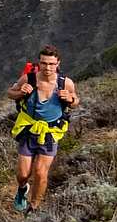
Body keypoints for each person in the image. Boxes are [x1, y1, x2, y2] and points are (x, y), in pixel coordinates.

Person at [7, 44, 78, 213]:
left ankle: (34, 207)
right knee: (23, 175)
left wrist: (70, 99)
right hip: (29, 130)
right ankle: (22, 189)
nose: (47, 67)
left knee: (40, 172)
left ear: (58, 63)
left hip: (50, 133)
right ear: (39, 63)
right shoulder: (29, 78)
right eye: (44, 63)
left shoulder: (65, 83)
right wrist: (21, 92)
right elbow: (10, 93)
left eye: (51, 64)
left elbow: (75, 101)